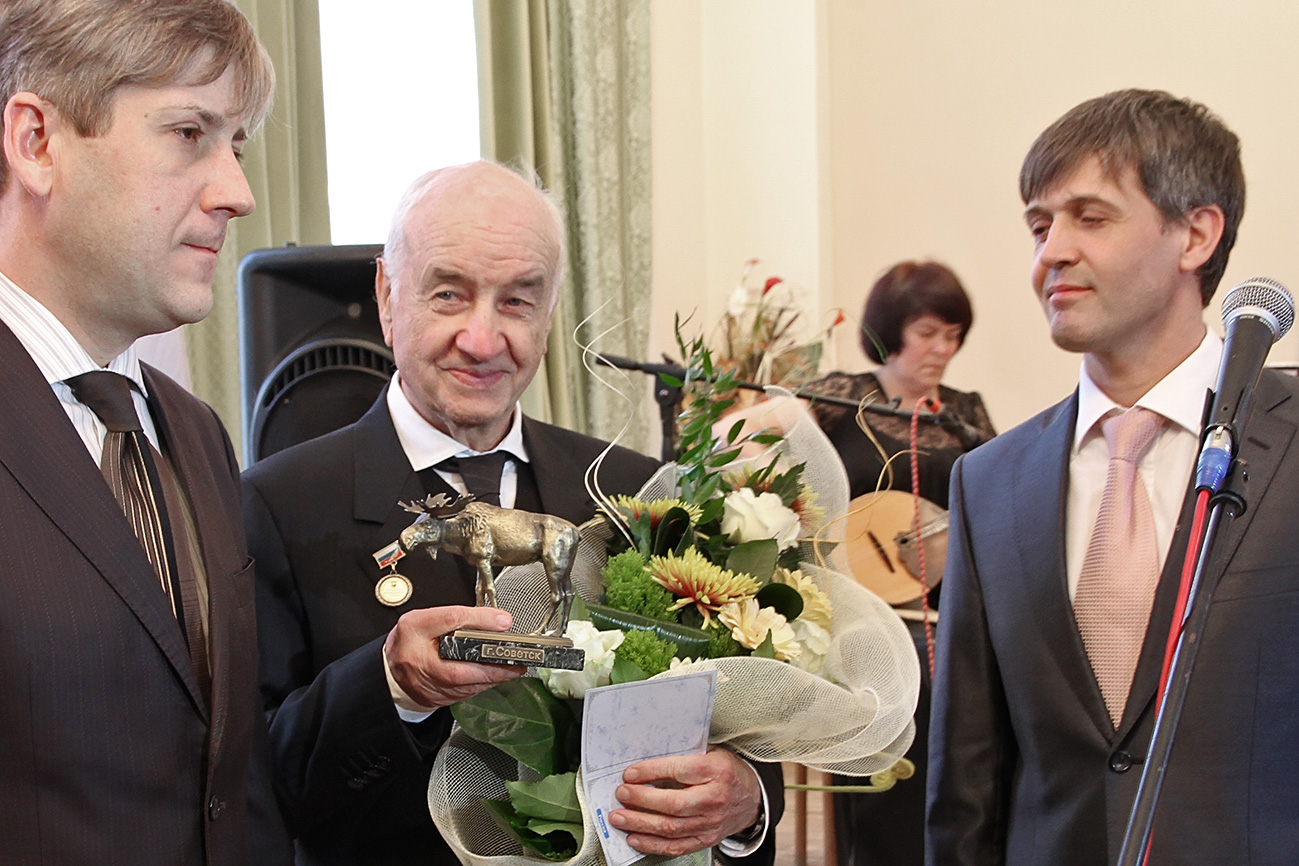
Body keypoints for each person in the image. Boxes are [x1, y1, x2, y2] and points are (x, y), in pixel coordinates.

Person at [245, 160, 784, 866]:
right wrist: (391, 690)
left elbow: (731, 716)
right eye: (448, 295)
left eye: (516, 302)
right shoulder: (278, 502)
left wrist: (745, 800)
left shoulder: (632, 494)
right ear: (386, 294)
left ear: (551, 309)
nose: (481, 339)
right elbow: (251, 785)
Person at [927, 89, 1299, 865]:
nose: (1050, 252)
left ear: (1194, 233)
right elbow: (967, 784)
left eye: (1089, 218)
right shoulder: (987, 484)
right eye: (1038, 225)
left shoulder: (1289, 441)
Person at [0, 0, 288, 863]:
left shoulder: (193, 432)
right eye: (188, 132)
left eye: (235, 145)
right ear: (37, 143)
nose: (236, 194)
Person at [799, 262, 994, 866]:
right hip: (853, 605)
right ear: (888, 331)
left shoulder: (963, 412)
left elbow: (997, 500)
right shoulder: (839, 396)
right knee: (909, 687)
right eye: (930, 332)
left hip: (941, 607)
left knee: (973, 684)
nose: (944, 349)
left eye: (954, 335)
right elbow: (772, 460)